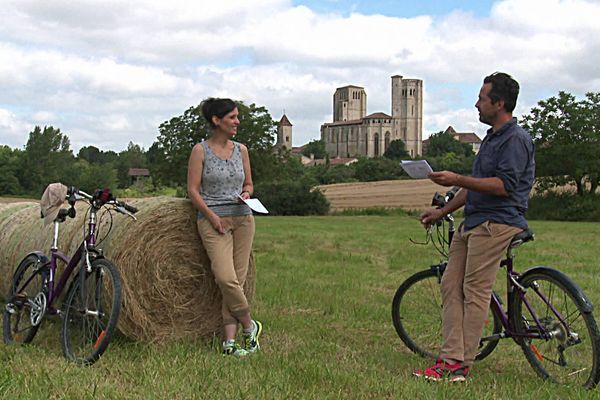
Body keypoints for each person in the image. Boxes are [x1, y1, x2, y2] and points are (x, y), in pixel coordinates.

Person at [413, 72, 535, 381]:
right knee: (450, 285)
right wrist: (441, 212)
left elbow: (503, 186)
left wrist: (456, 178)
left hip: (499, 222)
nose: (476, 104)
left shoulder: (515, 139)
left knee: (474, 290)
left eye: (482, 98)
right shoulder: (492, 139)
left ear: (500, 103)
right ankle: (450, 356)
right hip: (475, 221)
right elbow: (475, 187)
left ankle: (457, 363)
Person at [187, 97, 262, 357]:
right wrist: (211, 216)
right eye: (232, 117)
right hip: (213, 220)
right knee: (225, 278)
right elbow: (193, 190)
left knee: (237, 281)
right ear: (216, 121)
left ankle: (229, 341)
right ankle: (249, 325)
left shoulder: (242, 150)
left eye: (237, 117)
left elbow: (249, 184)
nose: (237, 122)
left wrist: (247, 193)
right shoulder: (200, 151)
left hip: (243, 219)